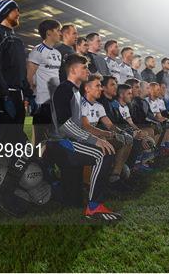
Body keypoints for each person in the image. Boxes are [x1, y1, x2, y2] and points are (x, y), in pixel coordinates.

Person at [48, 54, 122, 221]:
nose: (88, 70)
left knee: (72, 200)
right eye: (84, 67)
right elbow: (64, 125)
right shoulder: (64, 89)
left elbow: (80, 125)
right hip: (61, 143)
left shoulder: (75, 91)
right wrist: (95, 140)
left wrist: (96, 136)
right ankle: (94, 207)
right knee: (104, 153)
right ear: (74, 70)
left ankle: (57, 188)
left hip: (69, 141)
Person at [0, 0, 36, 148]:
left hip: (17, 96)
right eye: (15, 9)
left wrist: (29, 95)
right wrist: (5, 96)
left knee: (15, 139)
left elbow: (21, 71)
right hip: (1, 96)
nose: (18, 13)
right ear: (5, 12)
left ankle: (12, 171)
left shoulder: (17, 40)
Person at [80, 74, 133, 190]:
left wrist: (122, 133)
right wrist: (106, 134)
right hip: (81, 139)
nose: (101, 88)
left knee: (127, 141)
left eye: (101, 86)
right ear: (87, 88)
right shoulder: (80, 104)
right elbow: (87, 127)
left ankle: (114, 177)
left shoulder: (98, 106)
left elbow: (109, 125)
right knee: (103, 144)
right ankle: (88, 184)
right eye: (97, 86)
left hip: (96, 138)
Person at [26, 19, 62, 145]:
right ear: (49, 33)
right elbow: (29, 77)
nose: (60, 33)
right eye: (57, 30)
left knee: (54, 138)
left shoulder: (57, 54)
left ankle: (47, 162)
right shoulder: (37, 51)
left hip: (55, 102)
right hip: (42, 103)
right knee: (39, 139)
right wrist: (34, 97)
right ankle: (34, 163)